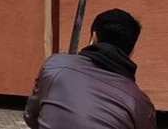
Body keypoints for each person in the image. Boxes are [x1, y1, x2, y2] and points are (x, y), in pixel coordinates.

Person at [24, 9, 156, 129]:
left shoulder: (55, 66)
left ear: (93, 38)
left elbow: (31, 117)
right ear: (131, 52)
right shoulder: (140, 103)